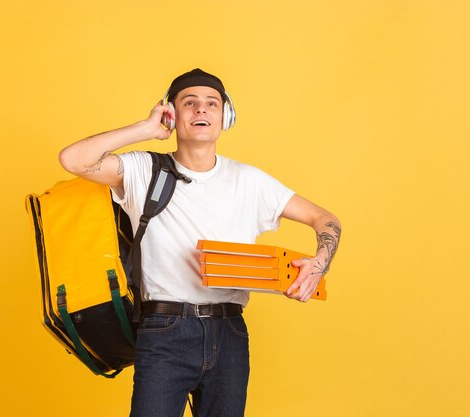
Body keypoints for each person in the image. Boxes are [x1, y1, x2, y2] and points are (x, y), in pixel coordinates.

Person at [58, 68, 341, 417]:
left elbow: (326, 220)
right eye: (189, 103)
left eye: (212, 103)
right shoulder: (143, 170)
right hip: (164, 331)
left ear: (226, 117)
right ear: (172, 115)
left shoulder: (249, 181)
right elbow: (73, 159)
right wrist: (145, 129)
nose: (202, 110)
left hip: (230, 331)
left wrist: (320, 263)